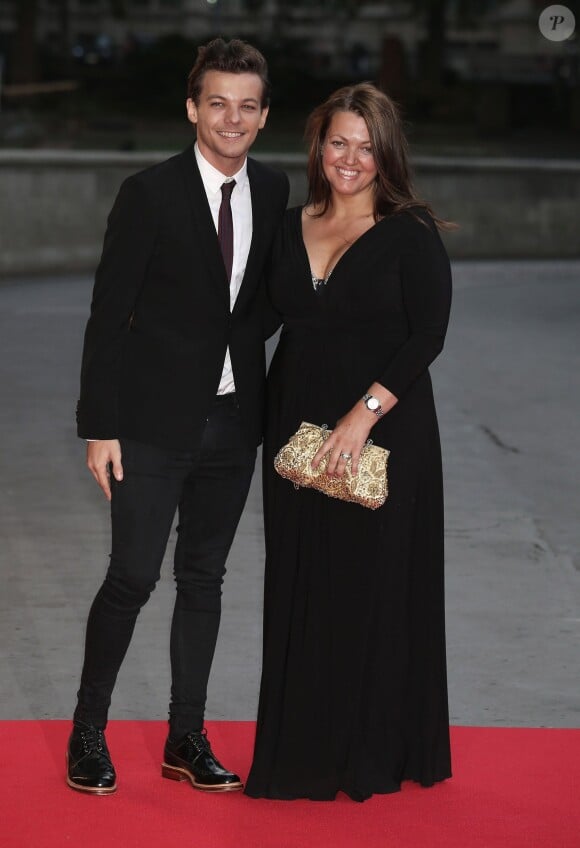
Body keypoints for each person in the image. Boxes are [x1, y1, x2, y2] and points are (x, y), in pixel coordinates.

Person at [67, 38, 289, 795]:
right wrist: (98, 426)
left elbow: (259, 304)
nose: (232, 118)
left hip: (234, 424)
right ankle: (87, 733)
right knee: (131, 577)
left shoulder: (274, 188)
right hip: (149, 428)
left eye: (247, 105)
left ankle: (184, 738)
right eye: (217, 102)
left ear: (263, 117)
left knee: (205, 579)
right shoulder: (149, 193)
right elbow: (108, 315)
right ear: (193, 108)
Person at [245, 83, 453, 802]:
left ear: (385, 153)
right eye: (339, 142)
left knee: (368, 589)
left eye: (367, 147)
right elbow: (251, 322)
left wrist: (362, 415)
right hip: (295, 434)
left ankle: (368, 754)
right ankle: (300, 755)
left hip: (384, 432)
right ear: (318, 146)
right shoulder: (285, 225)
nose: (351, 159)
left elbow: (428, 334)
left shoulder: (411, 231)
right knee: (301, 585)